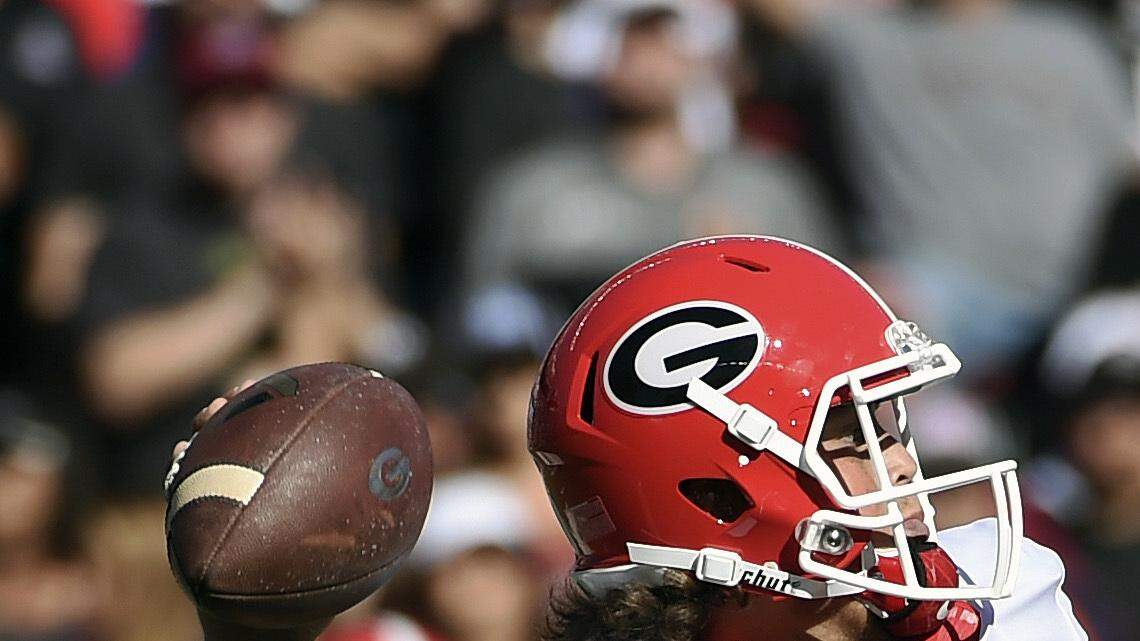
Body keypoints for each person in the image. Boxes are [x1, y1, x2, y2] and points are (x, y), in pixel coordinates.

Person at [529, 236, 1088, 641]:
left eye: (888, 429)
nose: (902, 465)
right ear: (716, 500)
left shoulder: (1005, 604)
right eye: (852, 436)